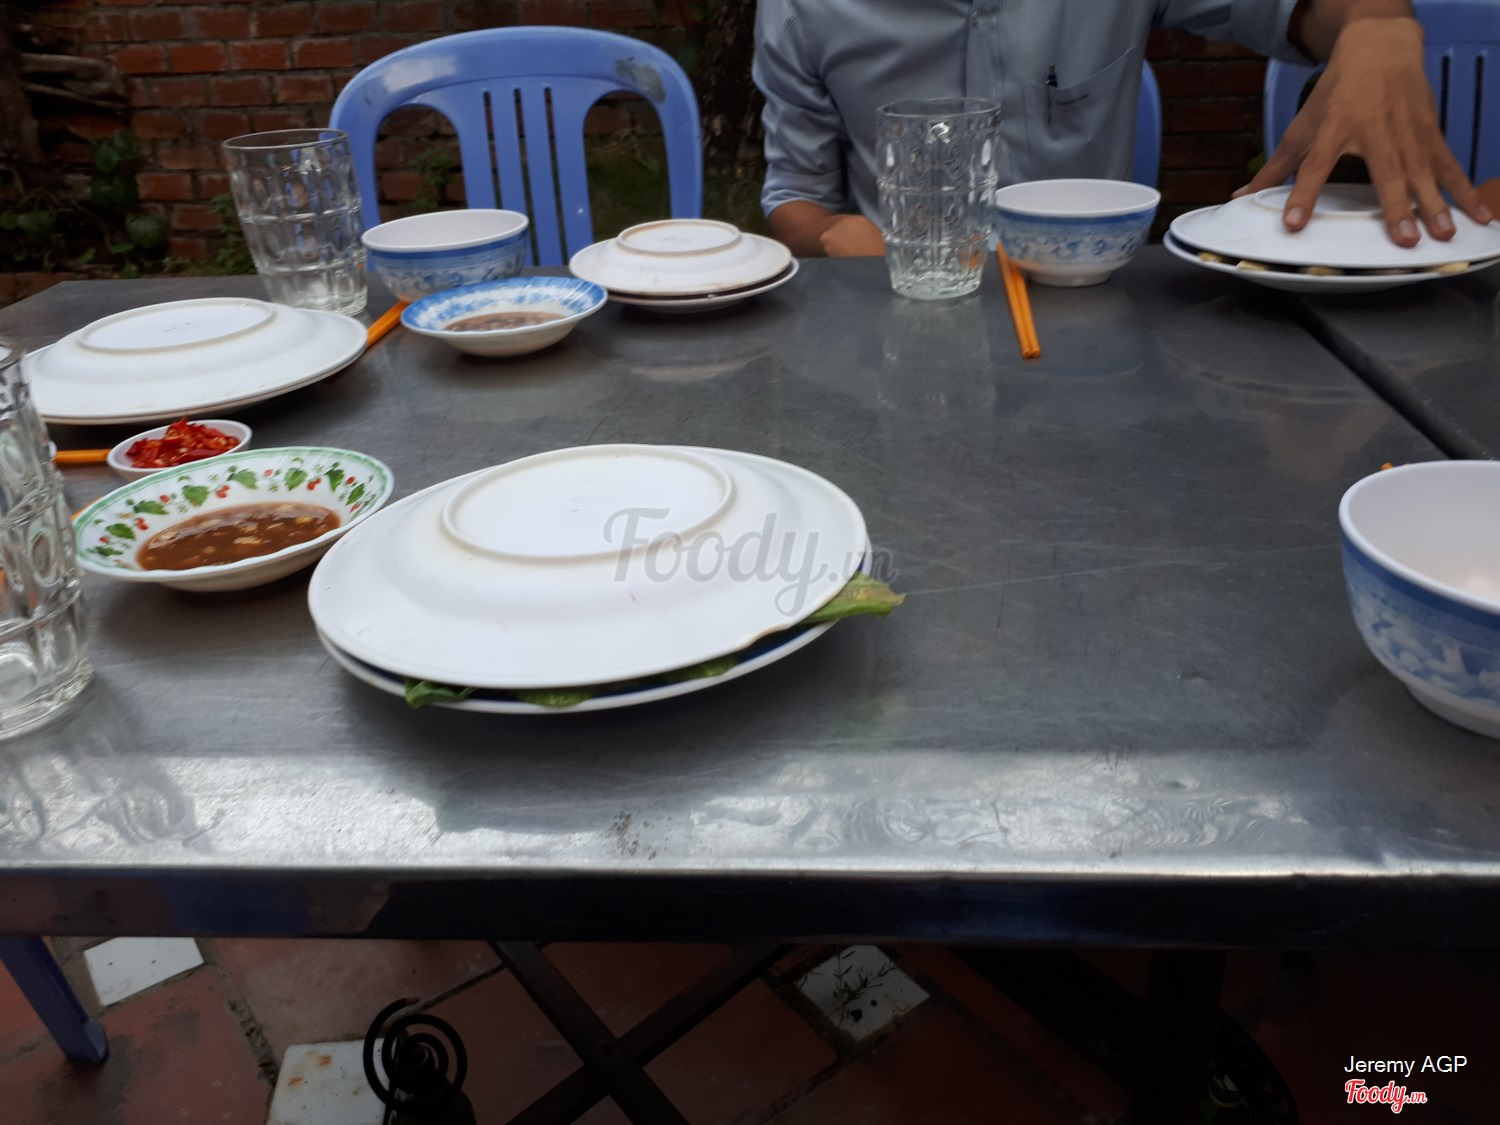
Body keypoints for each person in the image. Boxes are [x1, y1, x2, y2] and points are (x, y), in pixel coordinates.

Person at [752, 0, 1493, 257]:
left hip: (1097, 314)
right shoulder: (801, 10)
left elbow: (1295, 11)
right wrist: (832, 236)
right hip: (903, 314)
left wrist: (1378, 23)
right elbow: (793, 195)